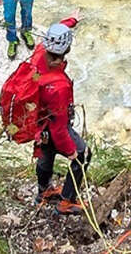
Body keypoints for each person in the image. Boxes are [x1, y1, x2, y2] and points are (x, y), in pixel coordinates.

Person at [31, 13, 92, 216]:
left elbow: (54, 32)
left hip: (38, 122)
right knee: (83, 155)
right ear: (67, 50)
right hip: (52, 124)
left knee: (46, 153)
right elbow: (59, 128)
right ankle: (67, 201)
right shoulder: (59, 85)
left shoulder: (39, 53)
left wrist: (71, 21)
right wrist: (71, 151)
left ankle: (43, 191)